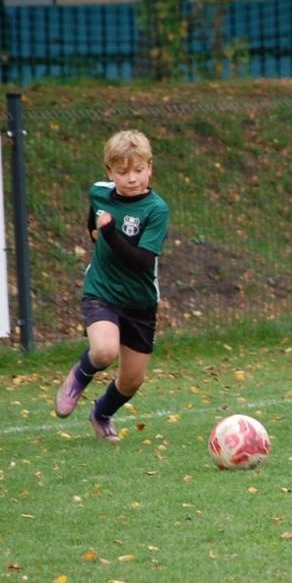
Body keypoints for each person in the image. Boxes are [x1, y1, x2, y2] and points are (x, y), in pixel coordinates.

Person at [53, 129, 171, 442]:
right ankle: (78, 379)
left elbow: (142, 261)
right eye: (122, 172)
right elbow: (94, 218)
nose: (131, 178)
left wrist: (108, 234)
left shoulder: (156, 210)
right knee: (103, 351)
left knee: (132, 380)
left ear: (150, 168)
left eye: (138, 170)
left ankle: (101, 413)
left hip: (140, 300)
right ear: (109, 172)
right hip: (102, 290)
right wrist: (95, 229)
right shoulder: (99, 191)